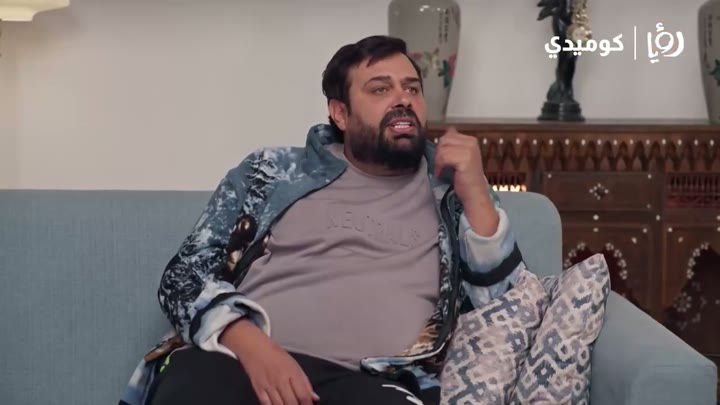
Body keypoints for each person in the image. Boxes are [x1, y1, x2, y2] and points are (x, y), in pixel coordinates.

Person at [119, 35, 526, 405]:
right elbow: (183, 277)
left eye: (412, 88)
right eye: (380, 89)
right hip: (240, 365)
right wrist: (252, 346)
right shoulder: (270, 173)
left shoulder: (452, 192)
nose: (402, 100)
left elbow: (505, 317)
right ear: (340, 114)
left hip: (372, 385)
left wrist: (476, 192)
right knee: (194, 387)